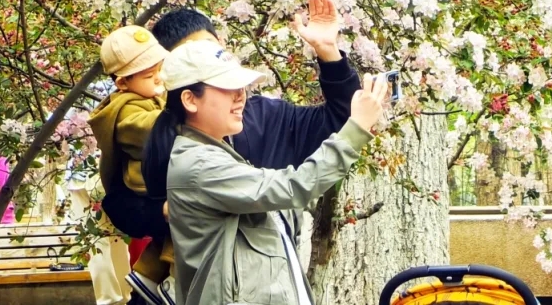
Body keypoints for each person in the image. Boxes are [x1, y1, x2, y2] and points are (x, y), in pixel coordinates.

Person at [101, 0, 361, 248]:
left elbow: (342, 117)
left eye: (213, 52)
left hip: (275, 277)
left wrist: (328, 52)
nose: (238, 96)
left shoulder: (265, 116)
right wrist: (169, 211)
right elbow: (119, 202)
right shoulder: (153, 131)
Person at [142, 40, 388, 305]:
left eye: (241, 87)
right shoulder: (199, 164)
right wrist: (357, 128)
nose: (240, 96)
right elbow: (295, 187)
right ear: (190, 99)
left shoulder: (217, 155)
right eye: (227, 88)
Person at [88, 25, 173, 304]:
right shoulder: (124, 110)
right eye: (150, 75)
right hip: (145, 187)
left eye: (160, 69)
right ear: (123, 82)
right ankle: (150, 280)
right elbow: (151, 130)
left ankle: (149, 278)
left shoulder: (148, 96)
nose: (159, 78)